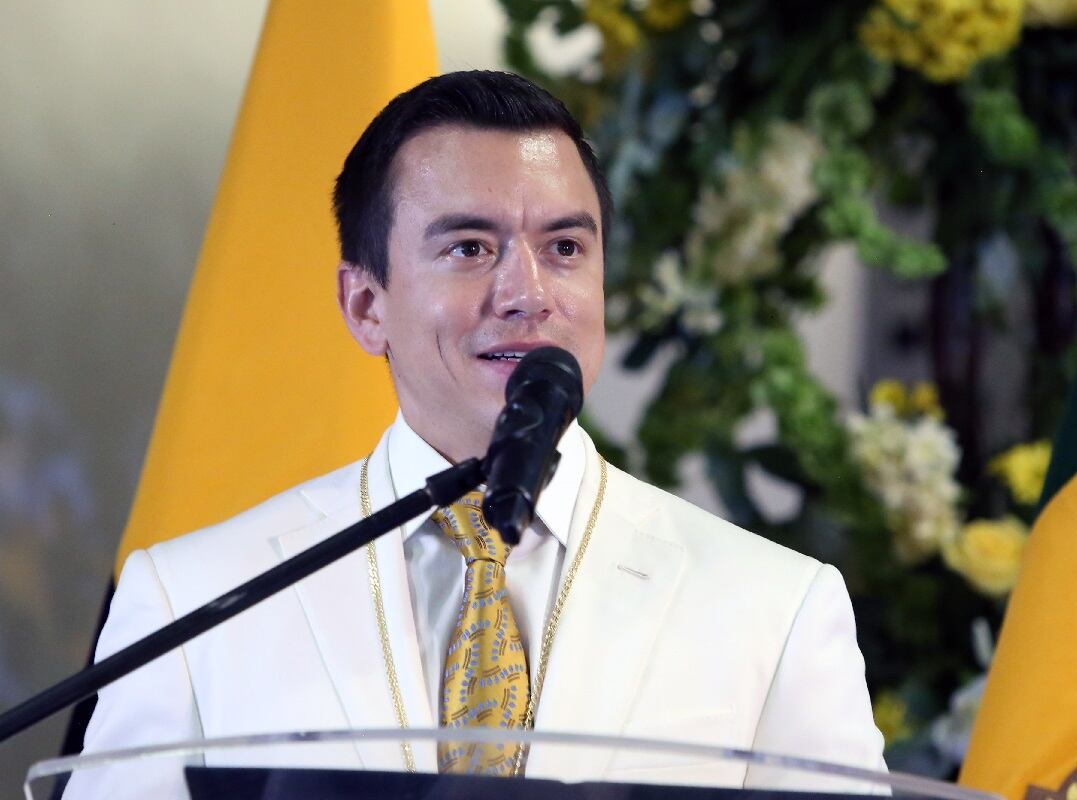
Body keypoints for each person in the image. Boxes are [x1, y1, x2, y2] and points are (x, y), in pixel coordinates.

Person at [75, 71, 886, 794]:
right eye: (469, 247)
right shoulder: (190, 604)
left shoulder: (775, 609)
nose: (528, 294)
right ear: (366, 305)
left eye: (564, 247)